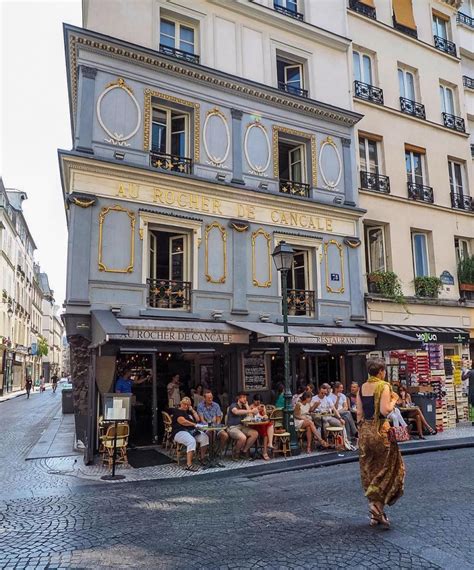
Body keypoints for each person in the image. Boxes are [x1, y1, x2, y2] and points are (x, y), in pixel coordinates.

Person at [357, 358, 405, 528]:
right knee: (388, 469)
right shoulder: (383, 386)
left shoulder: (362, 387)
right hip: (380, 431)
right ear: (381, 371)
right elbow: (385, 410)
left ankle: (376, 514)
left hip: (365, 433)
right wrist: (394, 400)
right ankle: (374, 507)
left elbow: (359, 414)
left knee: (370, 470)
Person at [172, 397, 209, 471]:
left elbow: (198, 419)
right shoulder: (177, 411)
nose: (186, 406)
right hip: (180, 432)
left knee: (205, 437)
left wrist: (192, 410)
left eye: (188, 405)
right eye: (184, 404)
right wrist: (194, 425)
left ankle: (201, 458)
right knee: (191, 441)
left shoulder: (188, 411)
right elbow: (182, 422)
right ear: (181, 403)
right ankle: (189, 465)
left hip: (191, 431)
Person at [227, 392, 258, 460]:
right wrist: (250, 411)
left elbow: (250, 417)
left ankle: (244, 451)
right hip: (232, 427)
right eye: (243, 397)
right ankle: (236, 453)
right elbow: (236, 412)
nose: (245, 399)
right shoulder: (233, 405)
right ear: (238, 398)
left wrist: (247, 406)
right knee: (242, 437)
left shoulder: (244, 407)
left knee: (255, 433)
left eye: (245, 397)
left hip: (242, 427)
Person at [249, 394, 274, 460]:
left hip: (261, 424)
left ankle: (269, 444)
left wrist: (264, 414)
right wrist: (256, 410)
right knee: (266, 429)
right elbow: (250, 417)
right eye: (256, 401)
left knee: (269, 424)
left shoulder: (262, 406)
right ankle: (265, 452)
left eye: (259, 401)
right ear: (253, 400)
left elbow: (265, 416)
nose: (258, 402)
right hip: (254, 426)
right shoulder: (251, 407)